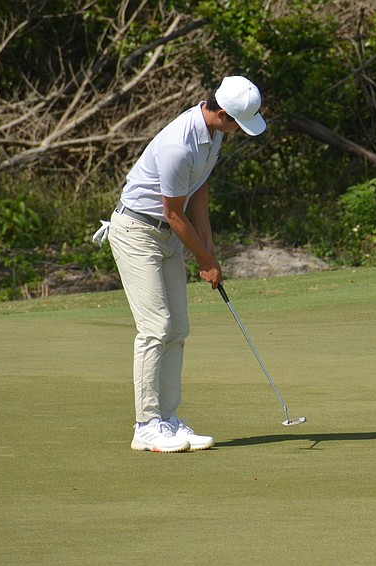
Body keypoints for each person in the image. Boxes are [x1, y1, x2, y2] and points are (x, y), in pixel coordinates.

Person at [97, 76, 266, 452]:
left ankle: (168, 422)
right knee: (156, 327)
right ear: (222, 114)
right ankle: (146, 426)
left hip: (169, 235)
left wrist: (209, 248)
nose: (238, 131)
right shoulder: (179, 145)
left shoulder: (213, 134)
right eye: (237, 124)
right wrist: (204, 260)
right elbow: (173, 213)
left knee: (178, 328)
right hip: (138, 231)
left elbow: (199, 187)